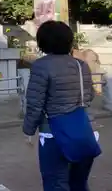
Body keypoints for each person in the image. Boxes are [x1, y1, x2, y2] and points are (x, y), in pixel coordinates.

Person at [23, 20, 98, 191]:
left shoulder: (41, 65)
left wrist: (28, 130)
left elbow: (35, 103)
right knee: (78, 184)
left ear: (43, 42)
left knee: (56, 183)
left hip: (53, 133)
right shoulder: (81, 65)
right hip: (83, 130)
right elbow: (89, 95)